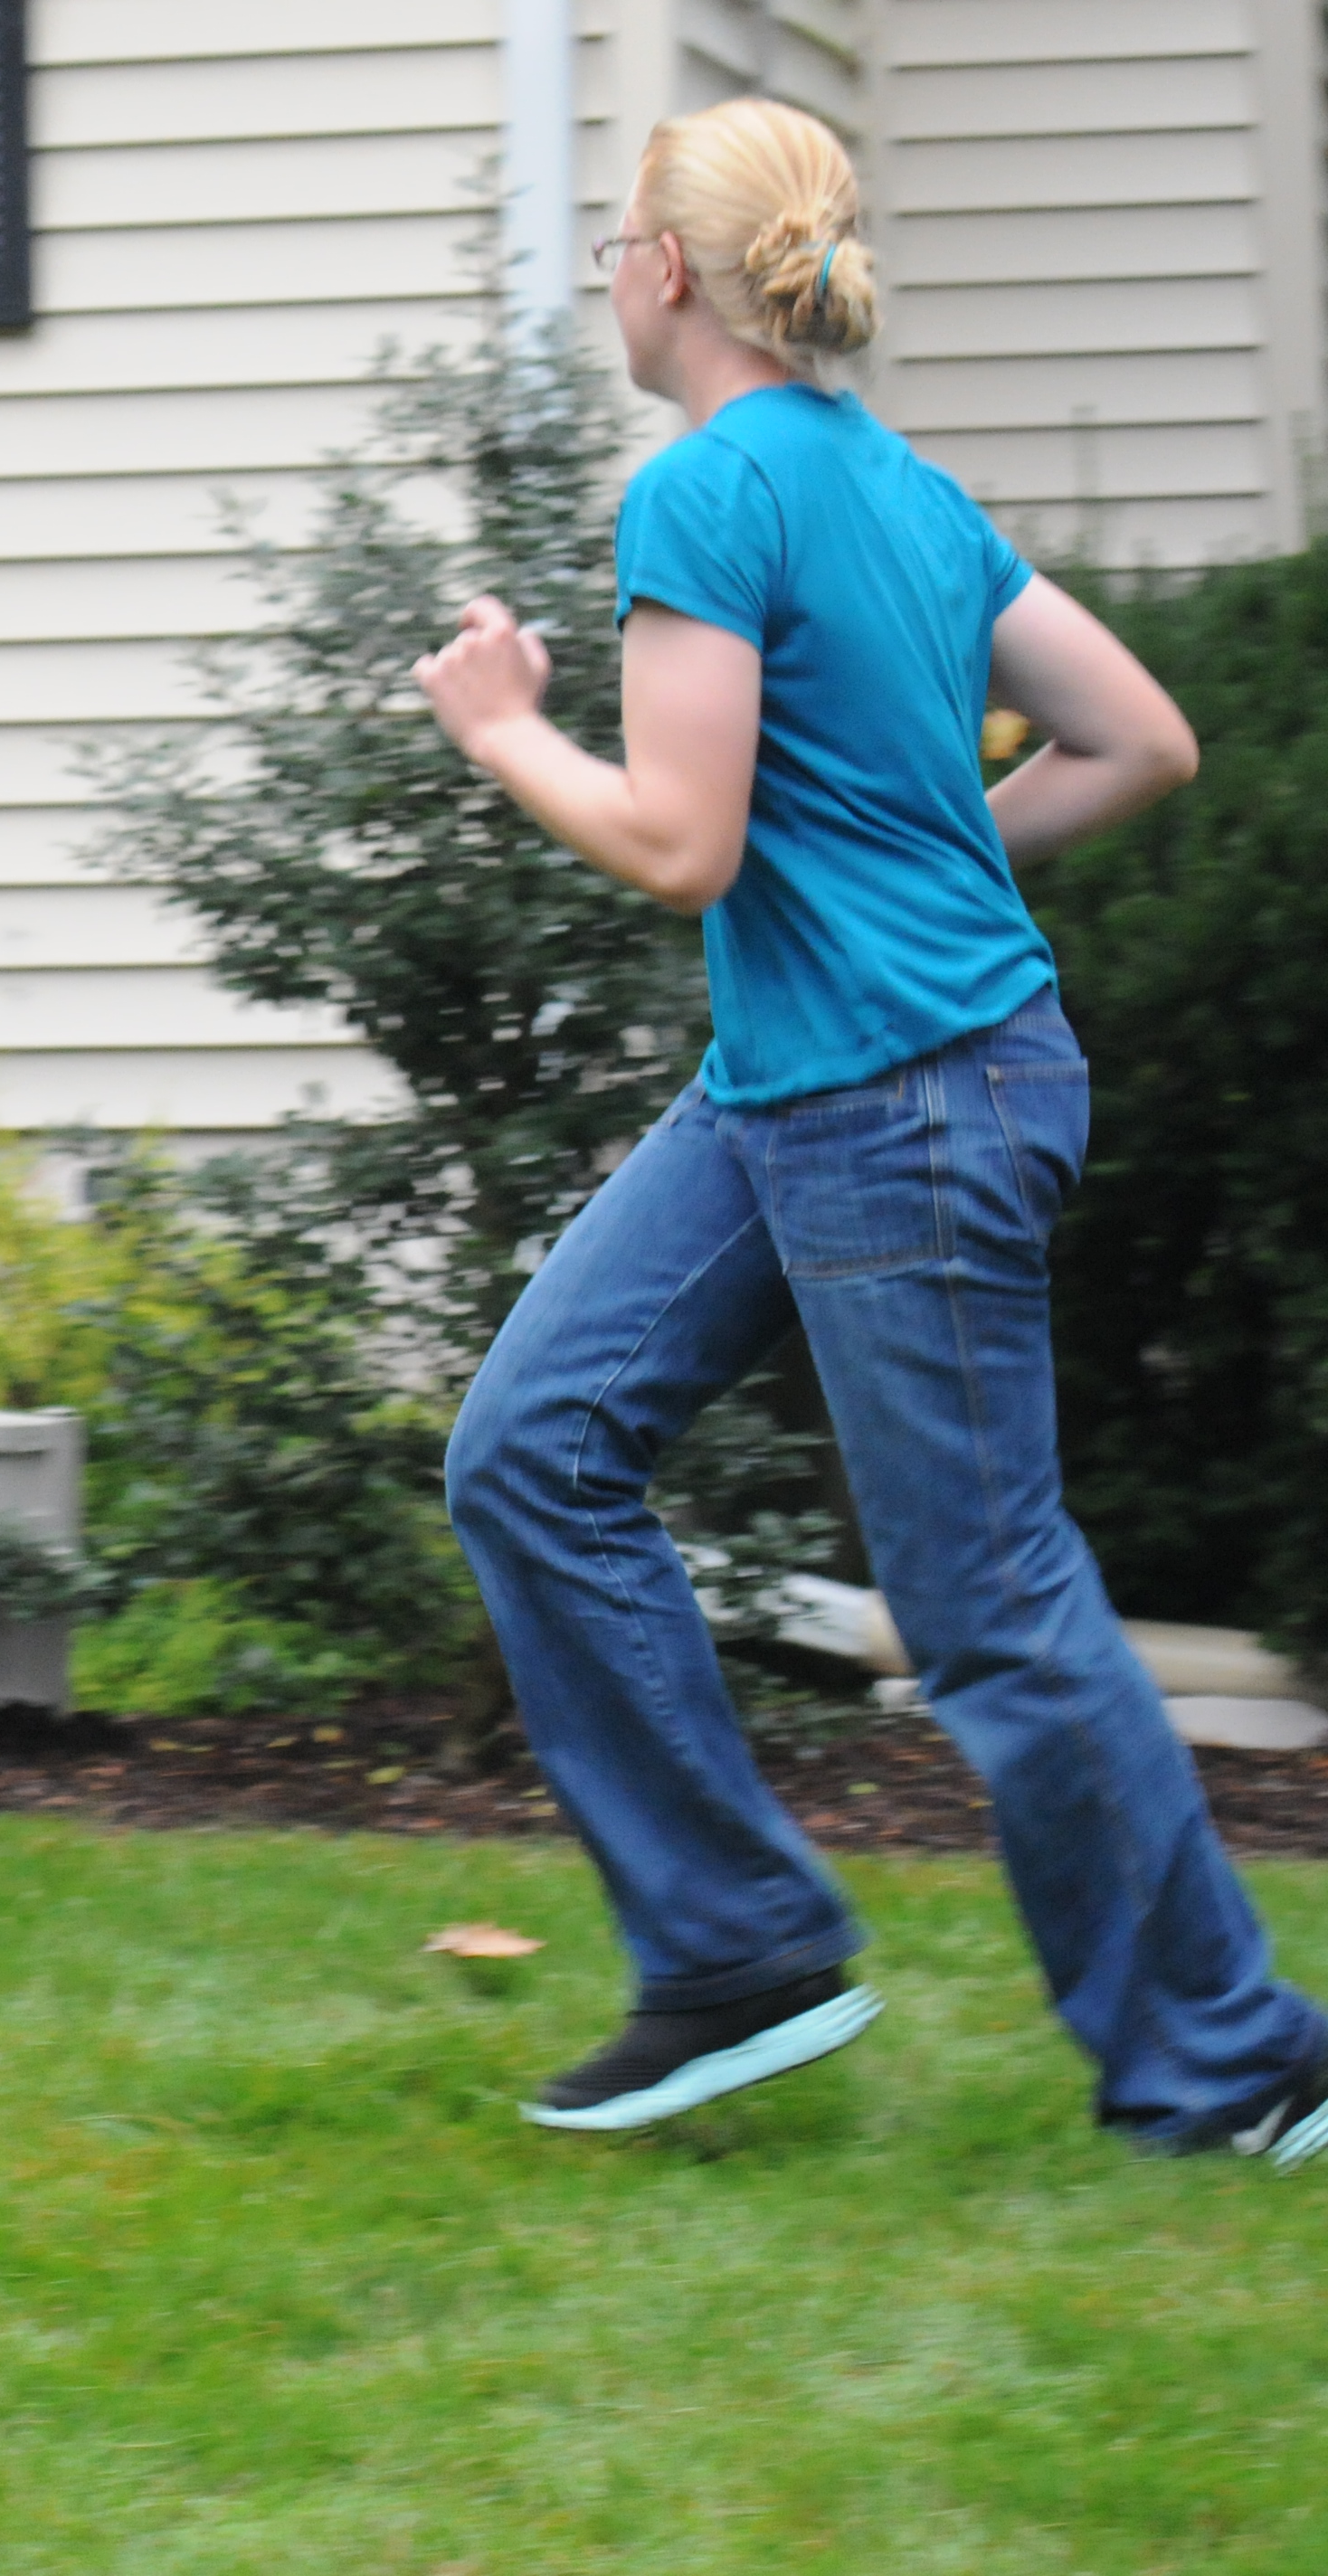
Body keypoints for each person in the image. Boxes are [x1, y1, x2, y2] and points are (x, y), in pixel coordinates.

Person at [419, 99, 1328, 2162]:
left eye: (614, 243)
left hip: (897, 1097)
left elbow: (679, 842)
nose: (605, 274)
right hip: (809, 1084)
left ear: (667, 269)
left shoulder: (705, 488)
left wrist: (501, 730)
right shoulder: (900, 488)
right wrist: (934, 860)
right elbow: (1142, 738)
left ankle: (1236, 2059)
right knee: (532, 1451)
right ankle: (736, 1949)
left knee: (987, 1596)